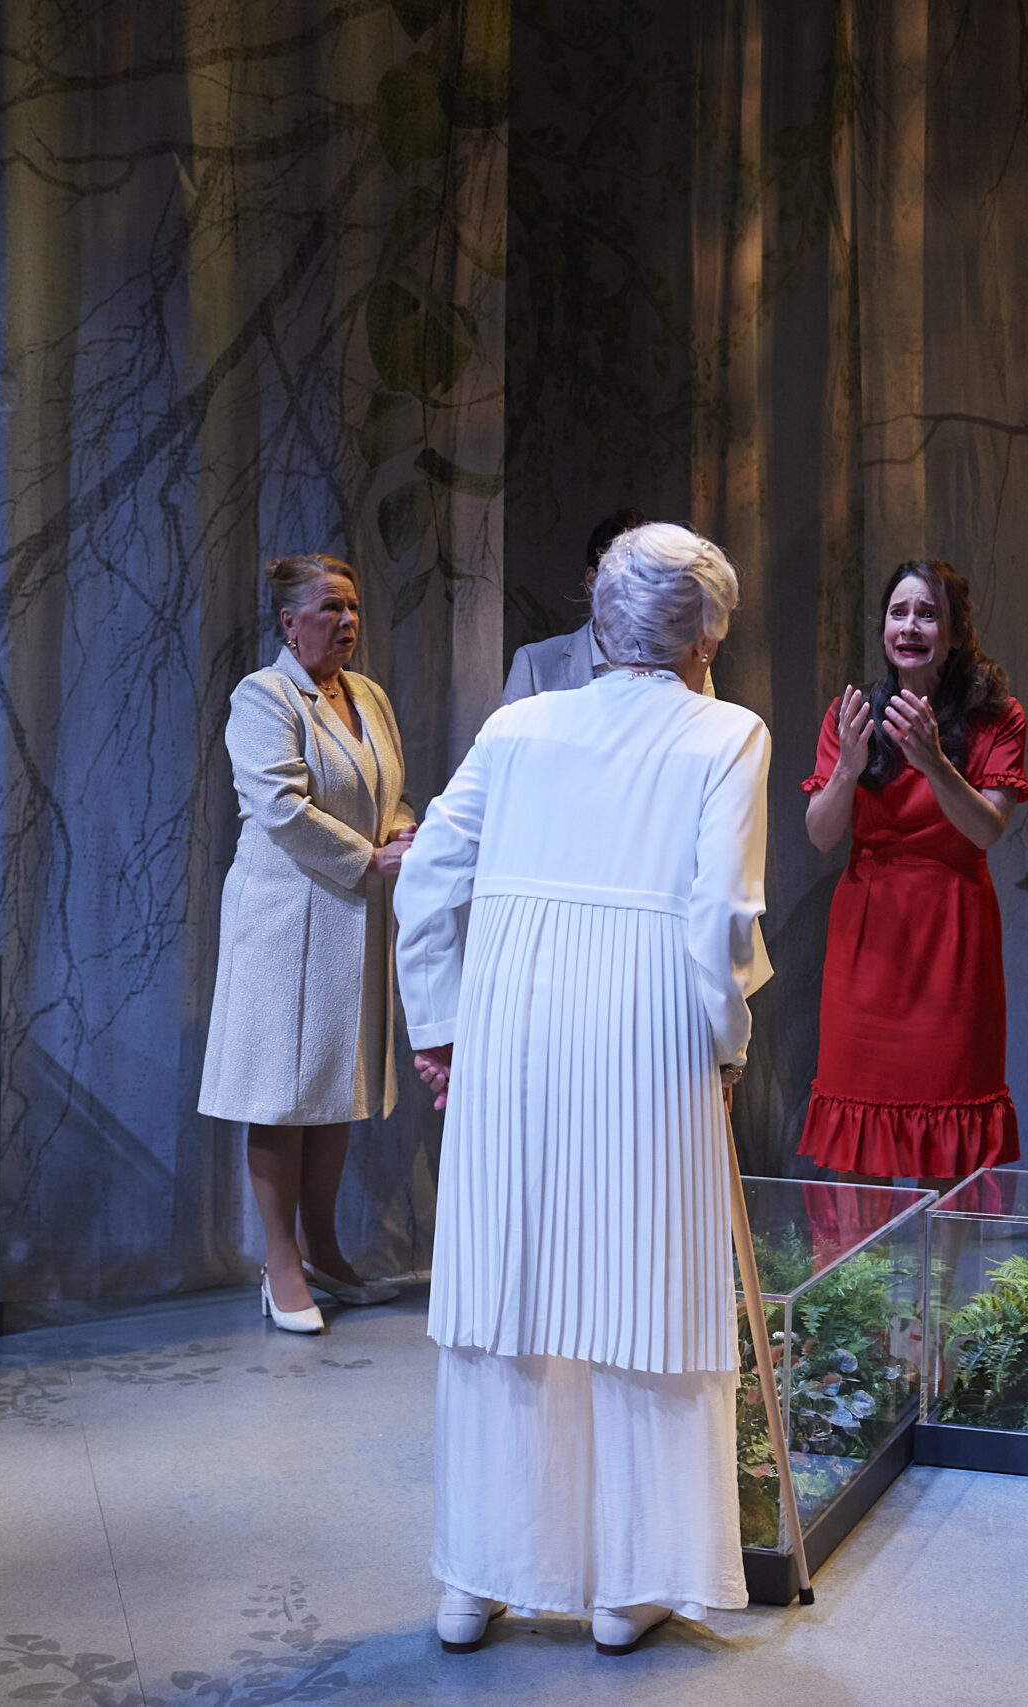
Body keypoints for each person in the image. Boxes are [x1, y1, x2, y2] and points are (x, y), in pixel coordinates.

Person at [395, 522, 770, 1658]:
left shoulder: (519, 726)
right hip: (644, 1031)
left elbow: (423, 878)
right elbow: (721, 920)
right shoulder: (728, 732)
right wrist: (727, 1040)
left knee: (507, 1290)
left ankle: (478, 1580)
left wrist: (445, 1027)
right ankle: (628, 1587)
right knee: (642, 1291)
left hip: (513, 1029)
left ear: (605, 622)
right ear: (704, 631)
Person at [196, 553, 417, 1332]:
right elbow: (283, 808)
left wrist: (403, 829)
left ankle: (325, 1248)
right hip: (286, 920)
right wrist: (371, 858)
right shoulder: (264, 696)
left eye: (354, 607)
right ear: (290, 622)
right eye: (331, 608)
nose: (348, 622)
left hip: (352, 920)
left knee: (333, 1090)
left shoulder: (371, 698)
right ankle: (280, 1261)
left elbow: (388, 789)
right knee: (281, 1093)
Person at [798, 560, 1028, 1189]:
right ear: (882, 628)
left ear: (954, 631)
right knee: (859, 1133)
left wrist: (933, 762)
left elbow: (985, 829)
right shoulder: (850, 715)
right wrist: (847, 767)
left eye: (927, 614)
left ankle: (942, 1288)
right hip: (868, 941)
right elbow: (821, 835)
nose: (910, 626)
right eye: (898, 613)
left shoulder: (996, 717)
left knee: (948, 1137)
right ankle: (863, 1287)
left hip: (951, 935)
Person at [500, 506, 716, 703]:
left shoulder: (687, 659)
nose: (639, 588)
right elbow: (509, 743)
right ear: (592, 579)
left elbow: (702, 733)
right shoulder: (535, 664)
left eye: (651, 576)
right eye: (623, 576)